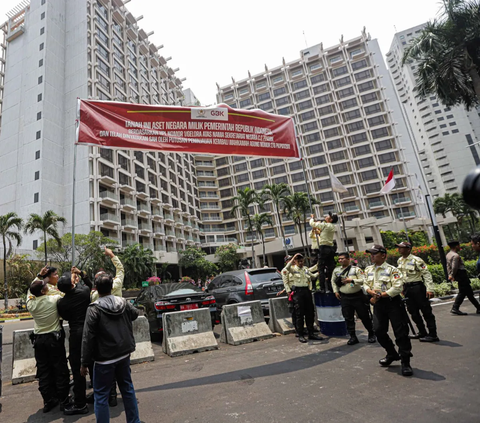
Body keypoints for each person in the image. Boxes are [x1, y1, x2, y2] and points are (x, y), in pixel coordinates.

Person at [81, 273, 141, 423]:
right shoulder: (123, 302)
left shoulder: (94, 308)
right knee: (127, 390)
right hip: (123, 353)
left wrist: (84, 362)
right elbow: (135, 314)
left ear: (95, 288)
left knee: (101, 396)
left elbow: (87, 338)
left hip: (104, 359)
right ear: (111, 287)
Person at [363, 244, 413, 377]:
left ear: (383, 255)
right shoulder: (368, 269)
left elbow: (397, 287)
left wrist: (380, 295)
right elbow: (365, 284)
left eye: (374, 253)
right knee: (378, 330)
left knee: (401, 333)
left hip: (392, 303)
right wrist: (369, 291)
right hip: (378, 304)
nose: (372, 256)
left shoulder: (392, 270)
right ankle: (391, 353)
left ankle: (405, 362)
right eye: (371, 254)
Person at [27, 269, 70, 413]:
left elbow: (30, 290)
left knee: (43, 371)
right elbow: (65, 295)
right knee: (60, 369)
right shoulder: (53, 299)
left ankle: (48, 400)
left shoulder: (31, 304)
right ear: (44, 290)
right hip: (54, 338)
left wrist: (39, 276)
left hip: (39, 340)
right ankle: (64, 400)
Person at [91, 247, 125, 406]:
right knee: (122, 366)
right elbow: (120, 269)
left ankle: (109, 394)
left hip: (104, 334)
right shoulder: (117, 286)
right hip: (120, 332)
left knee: (107, 365)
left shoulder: (94, 296)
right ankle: (121, 393)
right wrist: (112, 255)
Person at [57, 267, 93, 415]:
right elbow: (89, 285)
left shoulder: (61, 303)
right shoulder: (84, 293)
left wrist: (74, 278)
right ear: (73, 285)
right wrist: (80, 274)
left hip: (75, 335)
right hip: (89, 332)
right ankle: (100, 395)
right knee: (93, 364)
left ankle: (80, 403)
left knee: (78, 370)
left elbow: (64, 316)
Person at [396, 241, 439, 342]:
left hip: (418, 288)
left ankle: (433, 334)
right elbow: (401, 275)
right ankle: (422, 332)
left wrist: (430, 289)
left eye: (401, 247)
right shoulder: (400, 261)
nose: (399, 249)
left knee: (426, 311)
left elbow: (426, 274)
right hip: (407, 288)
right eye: (398, 247)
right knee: (413, 312)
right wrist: (402, 287)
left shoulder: (417, 260)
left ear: (408, 249)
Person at [332, 252, 376, 345]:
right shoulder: (336, 270)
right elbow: (333, 281)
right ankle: (353, 336)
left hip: (357, 296)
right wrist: (336, 291)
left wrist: (351, 280)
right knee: (348, 317)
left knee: (364, 316)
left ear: (348, 259)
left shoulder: (356, 269)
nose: (340, 260)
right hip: (345, 297)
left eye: (342, 258)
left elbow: (363, 280)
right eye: (339, 259)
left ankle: (371, 333)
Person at [282, 253, 323, 343]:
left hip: (306, 291)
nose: (301, 263)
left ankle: (311, 333)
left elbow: (312, 276)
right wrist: (294, 257)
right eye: (299, 261)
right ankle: (300, 334)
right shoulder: (292, 269)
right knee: (299, 314)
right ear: (295, 261)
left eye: (302, 261)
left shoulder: (305, 269)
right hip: (297, 293)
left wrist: (319, 272)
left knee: (310, 313)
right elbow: (286, 268)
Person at [447, 240, 480, 315]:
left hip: (458, 275)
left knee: (469, 293)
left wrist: (450, 274)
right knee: (463, 292)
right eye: (459, 245)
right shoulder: (455, 255)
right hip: (461, 274)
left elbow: (448, 266)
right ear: (456, 246)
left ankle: (478, 308)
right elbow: (454, 267)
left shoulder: (448, 255)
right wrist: (452, 274)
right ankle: (455, 308)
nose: (460, 247)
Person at [309, 212, 338, 293]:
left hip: (324, 248)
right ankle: (331, 287)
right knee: (330, 268)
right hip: (331, 248)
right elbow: (322, 232)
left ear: (331, 219)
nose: (326, 216)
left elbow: (312, 223)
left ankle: (322, 288)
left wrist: (312, 217)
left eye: (328, 216)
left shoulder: (325, 225)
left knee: (320, 268)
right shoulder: (331, 226)